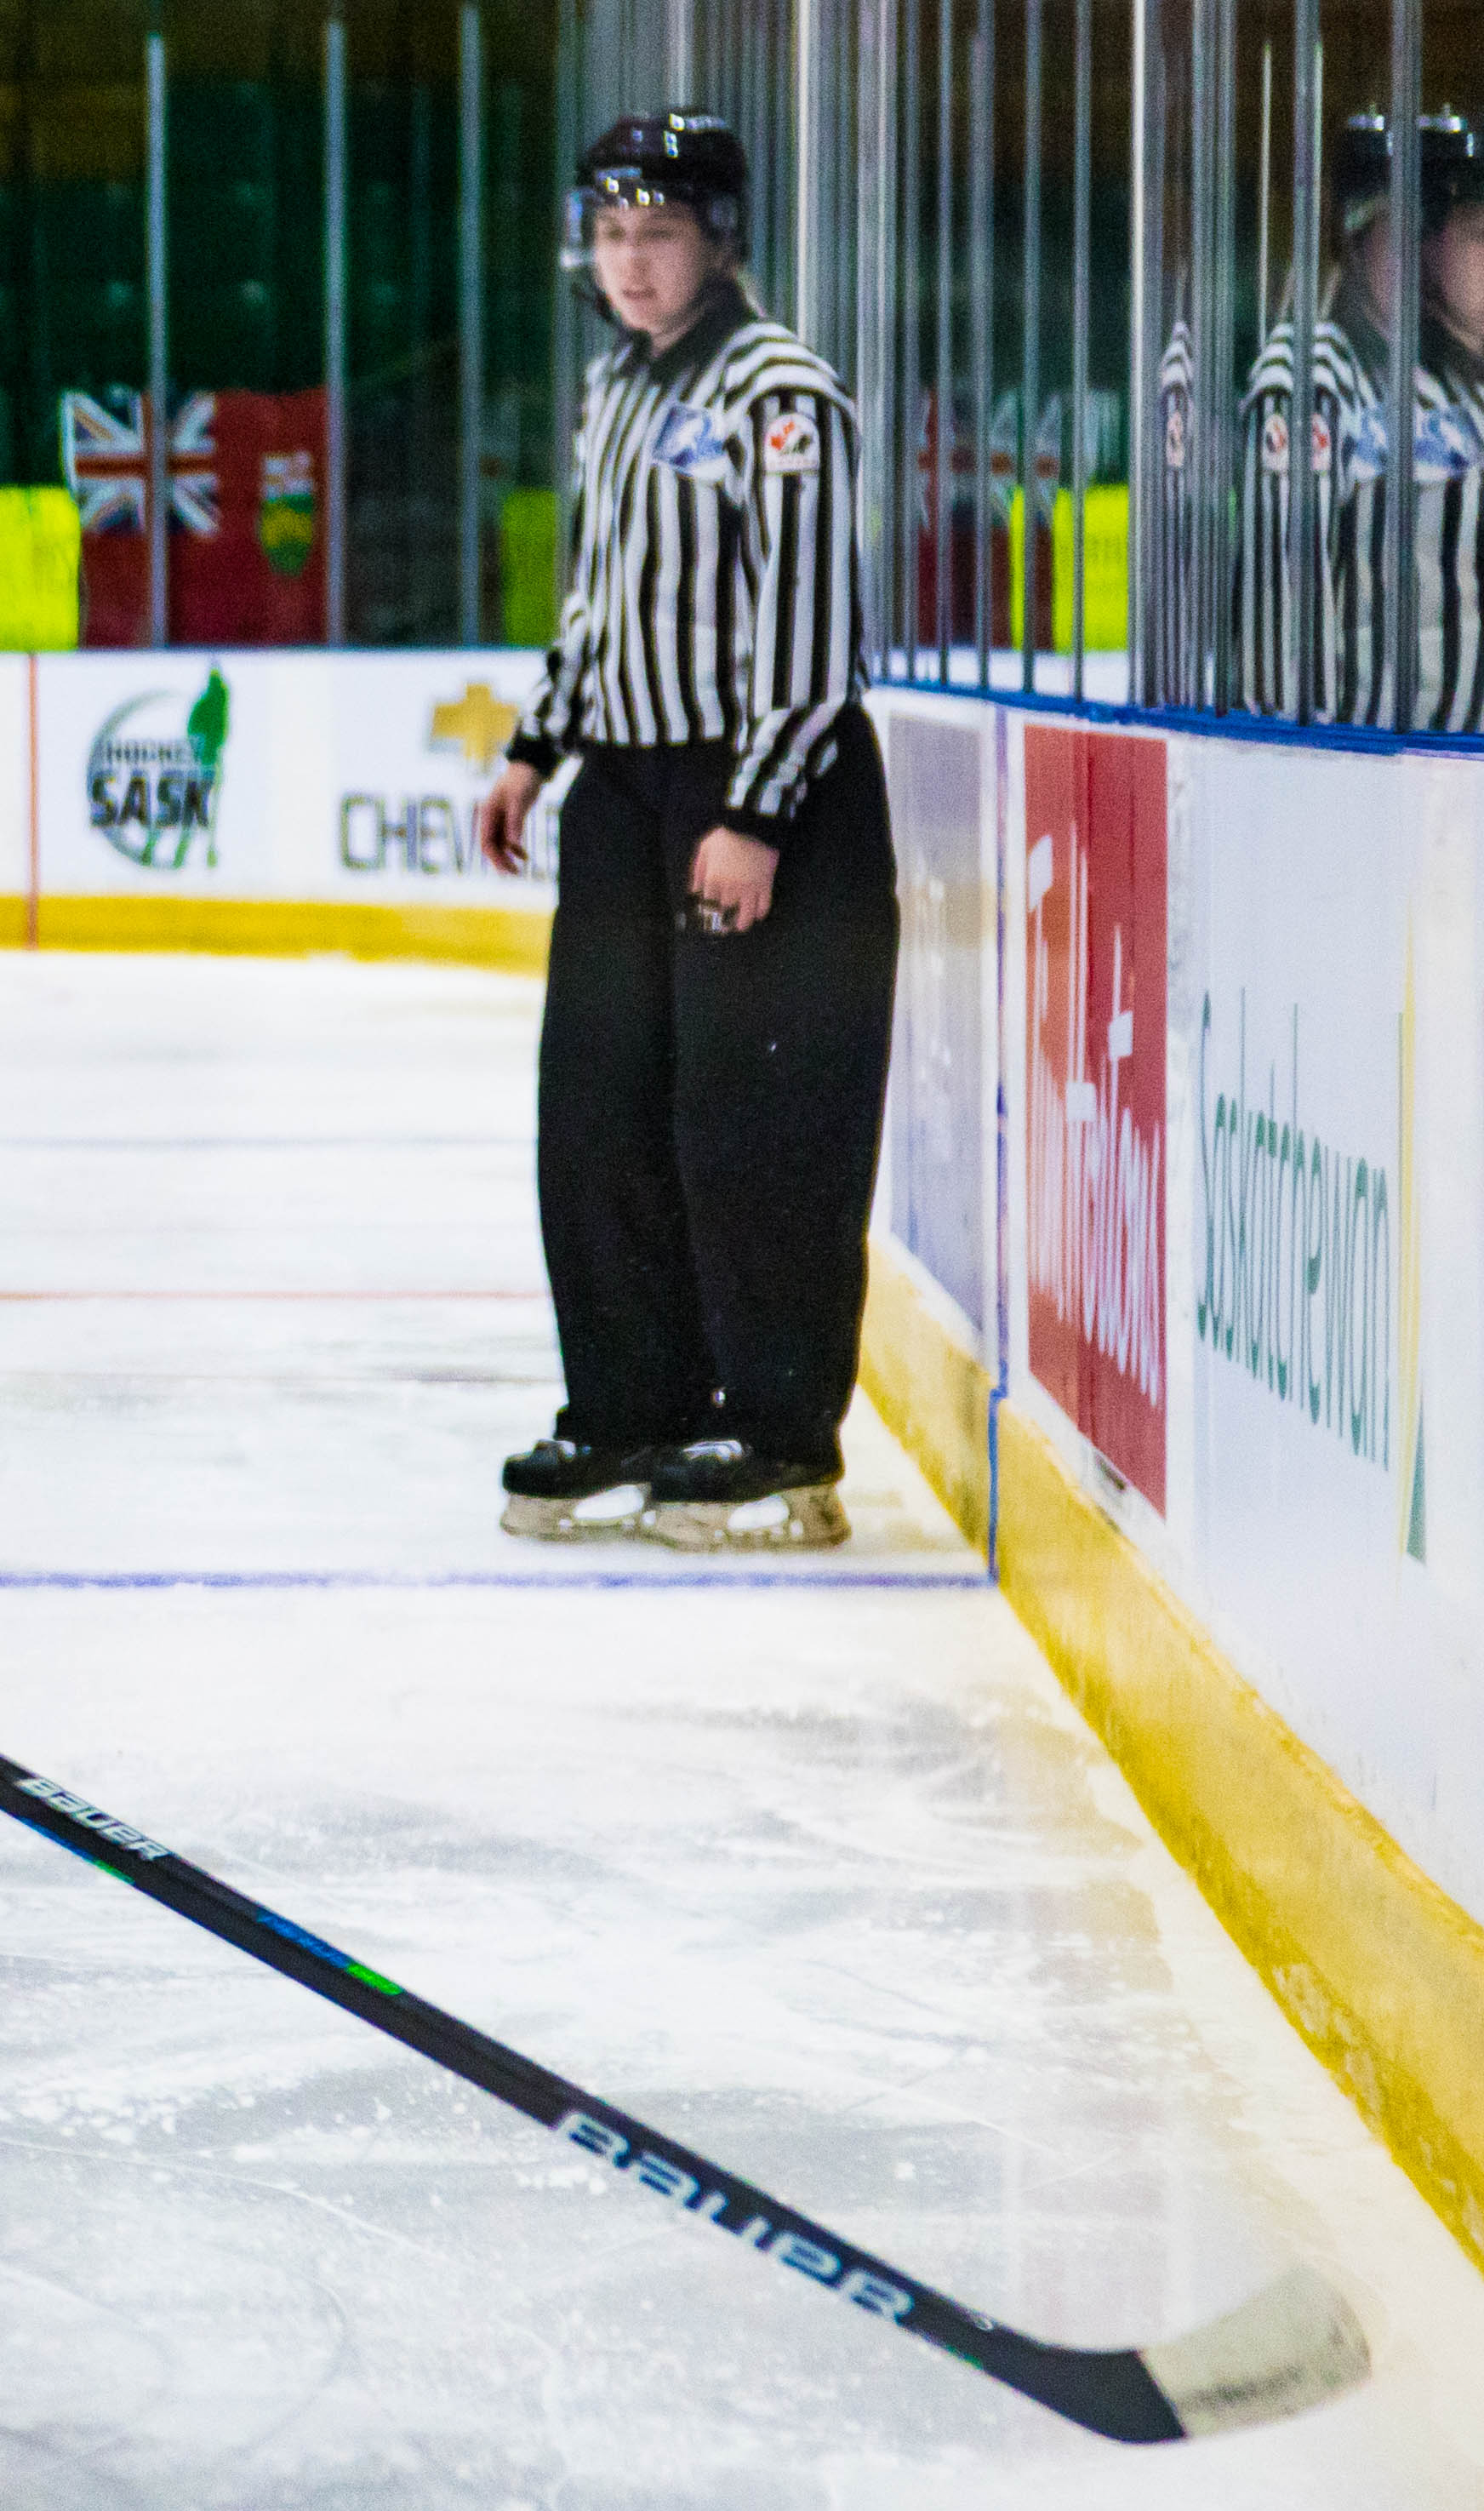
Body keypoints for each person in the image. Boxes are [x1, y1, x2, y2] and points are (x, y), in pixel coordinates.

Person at [471, 111, 894, 1554]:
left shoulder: (779, 392)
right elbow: (596, 597)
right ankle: (630, 1402)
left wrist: (755, 808)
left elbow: (807, 624)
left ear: (719, 238)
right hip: (628, 792)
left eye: (656, 234)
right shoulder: (616, 388)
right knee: (594, 1106)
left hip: (756, 797)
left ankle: (774, 1431)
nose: (629, 263)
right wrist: (538, 741)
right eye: (607, 237)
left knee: (747, 1116)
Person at [1237, 112, 1484, 731]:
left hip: (1479, 775)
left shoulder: (1472, 391)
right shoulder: (1306, 378)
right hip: (1363, 782)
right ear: (1356, 242)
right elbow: (1280, 629)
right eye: (1392, 234)